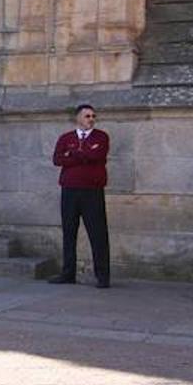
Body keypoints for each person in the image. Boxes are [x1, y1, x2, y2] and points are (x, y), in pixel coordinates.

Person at [49, 105, 111, 288]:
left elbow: (97, 155)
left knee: (98, 233)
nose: (91, 119)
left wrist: (74, 154)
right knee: (69, 231)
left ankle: (103, 275)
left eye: (93, 116)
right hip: (69, 190)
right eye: (87, 116)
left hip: (92, 191)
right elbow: (58, 160)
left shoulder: (101, 137)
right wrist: (82, 155)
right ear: (78, 118)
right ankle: (68, 273)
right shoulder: (66, 138)